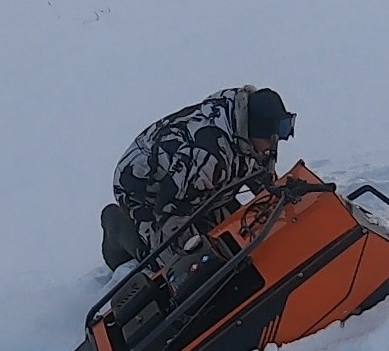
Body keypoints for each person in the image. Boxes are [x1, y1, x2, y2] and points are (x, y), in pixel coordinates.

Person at [102, 86, 295, 270]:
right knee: (171, 264)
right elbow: (170, 210)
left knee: (236, 228)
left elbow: (260, 174)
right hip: (144, 187)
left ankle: (200, 212)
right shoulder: (206, 156)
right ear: (255, 131)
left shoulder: (246, 131)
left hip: (191, 182)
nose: (274, 145)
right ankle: (117, 226)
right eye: (272, 139)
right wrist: (194, 254)